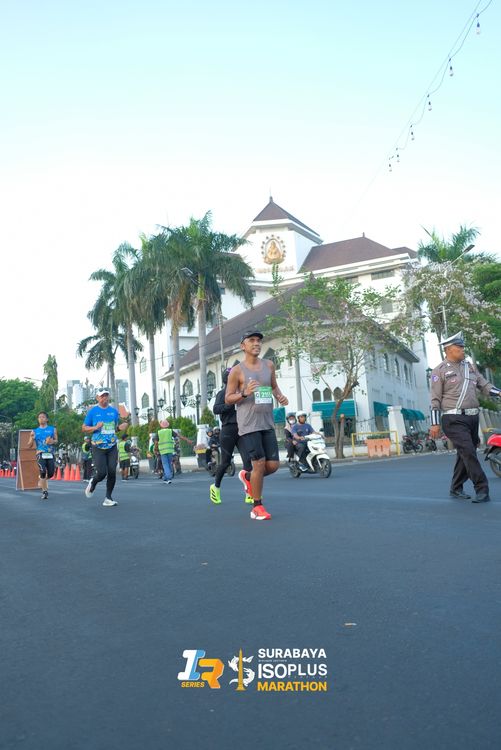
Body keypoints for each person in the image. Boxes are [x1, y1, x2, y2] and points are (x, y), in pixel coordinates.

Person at [429, 331, 501, 503]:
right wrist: (434, 424)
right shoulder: (439, 371)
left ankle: (456, 488)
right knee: (468, 451)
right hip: (453, 419)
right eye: (459, 347)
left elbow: (484, 385)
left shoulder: (470, 367)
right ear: (448, 349)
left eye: (462, 347)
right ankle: (482, 489)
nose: (463, 350)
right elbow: (435, 399)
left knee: (465, 453)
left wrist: (499, 392)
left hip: (472, 418)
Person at [225, 330, 288, 520]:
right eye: (251, 340)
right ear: (243, 346)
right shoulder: (237, 371)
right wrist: (244, 393)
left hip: (267, 421)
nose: (256, 343)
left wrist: (280, 396)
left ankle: (248, 477)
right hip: (248, 424)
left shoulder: (269, 365)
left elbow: (274, 386)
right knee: (259, 463)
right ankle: (257, 507)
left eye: (259, 340)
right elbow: (228, 398)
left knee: (273, 465)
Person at [209, 367, 253, 505]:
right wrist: (230, 404)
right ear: (227, 379)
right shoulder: (223, 393)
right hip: (228, 430)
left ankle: (249, 493)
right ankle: (215, 487)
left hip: (242, 429)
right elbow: (216, 409)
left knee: (248, 461)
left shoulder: (242, 392)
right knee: (225, 462)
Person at [82, 389, 128, 507]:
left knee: (112, 471)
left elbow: (113, 429)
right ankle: (93, 482)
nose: (104, 398)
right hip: (98, 446)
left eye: (106, 395)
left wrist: (120, 428)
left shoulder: (114, 411)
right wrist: (95, 427)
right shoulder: (93, 412)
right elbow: (84, 428)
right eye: (102, 396)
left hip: (112, 446)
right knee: (102, 473)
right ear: (97, 398)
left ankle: (108, 498)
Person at [28, 411, 58, 500]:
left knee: (51, 473)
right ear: (38, 419)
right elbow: (29, 445)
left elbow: (56, 440)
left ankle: (41, 479)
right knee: (43, 471)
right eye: (39, 417)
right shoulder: (34, 431)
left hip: (50, 453)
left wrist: (52, 441)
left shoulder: (53, 429)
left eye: (43, 417)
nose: (41, 418)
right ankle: (45, 492)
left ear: (47, 419)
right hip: (40, 453)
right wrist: (32, 438)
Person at [155, 420, 175, 484]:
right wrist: (188, 440)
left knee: (165, 464)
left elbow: (156, 442)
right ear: (168, 425)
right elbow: (179, 436)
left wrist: (155, 449)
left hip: (163, 451)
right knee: (169, 464)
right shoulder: (170, 431)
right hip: (170, 450)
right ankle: (165, 478)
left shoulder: (159, 432)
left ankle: (168, 477)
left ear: (161, 426)